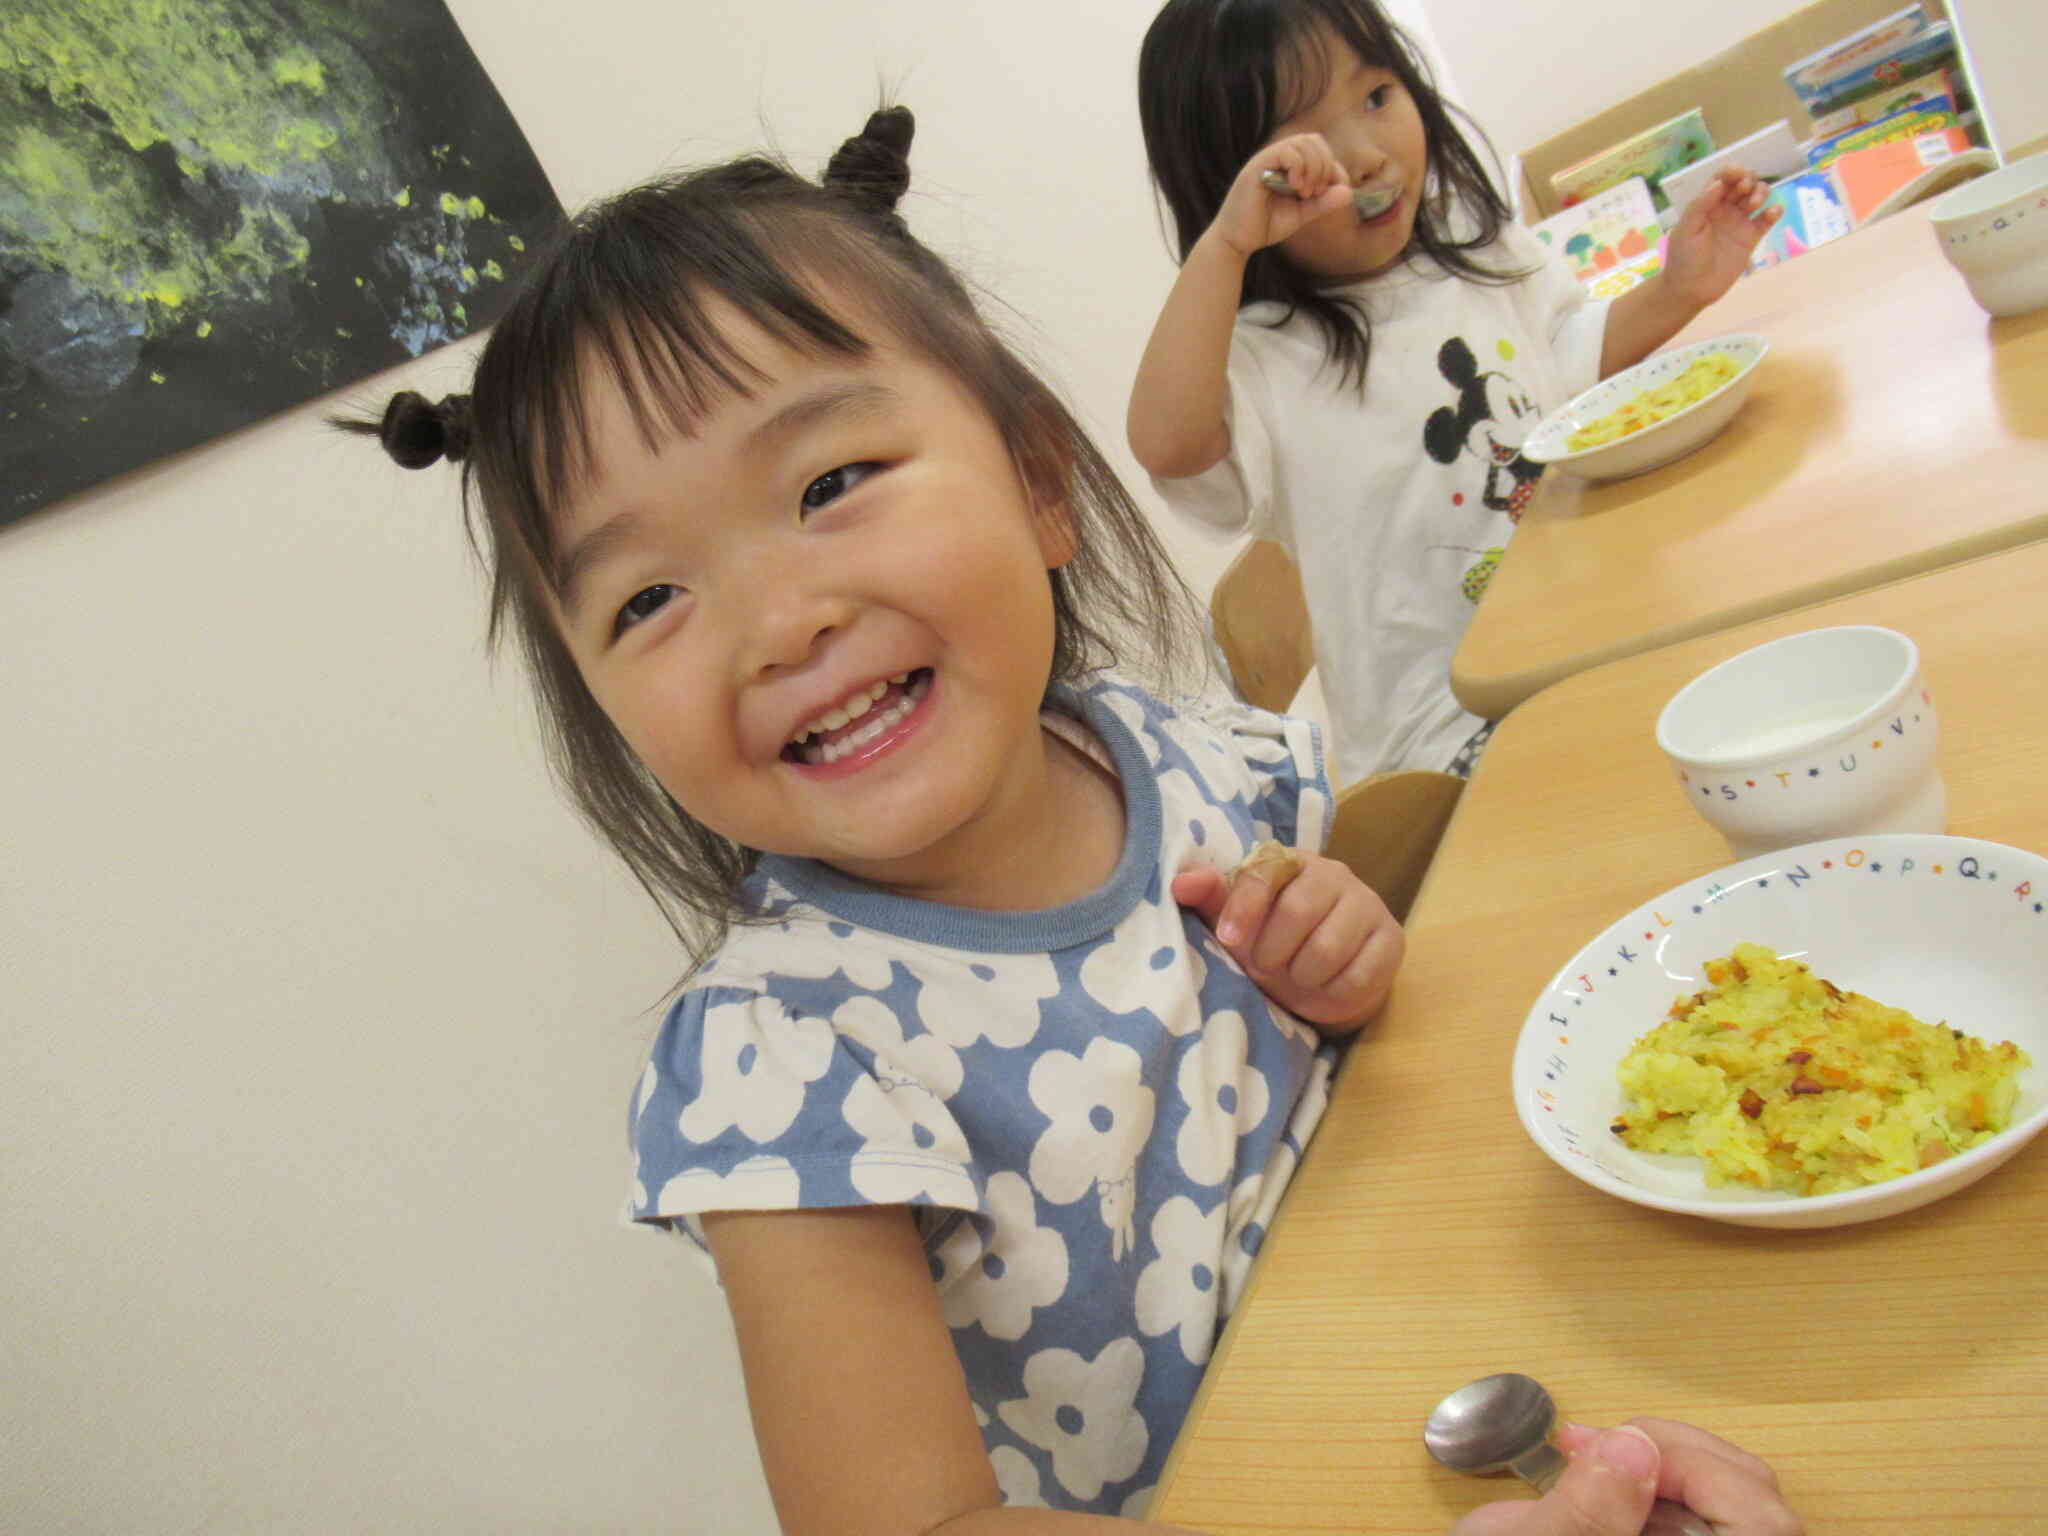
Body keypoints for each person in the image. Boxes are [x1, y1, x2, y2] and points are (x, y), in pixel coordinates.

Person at [343, 105, 1798, 1536]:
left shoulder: (1196, 760)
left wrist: (1350, 962)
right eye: (647, 598)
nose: (775, 627)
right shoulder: (780, 1062)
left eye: (831, 484)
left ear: (1038, 484)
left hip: (1480, 1361)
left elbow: (1372, 1079)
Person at [1128, 0, 1779, 785]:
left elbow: (1567, 366)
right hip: (1441, 745)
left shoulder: (1475, 243)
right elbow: (1168, 445)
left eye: (1376, 97)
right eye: (1307, 143)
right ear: (1231, 180)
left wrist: (1680, 289)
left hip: (1589, 637)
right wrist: (1225, 247)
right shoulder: (1262, 360)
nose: (1367, 155)